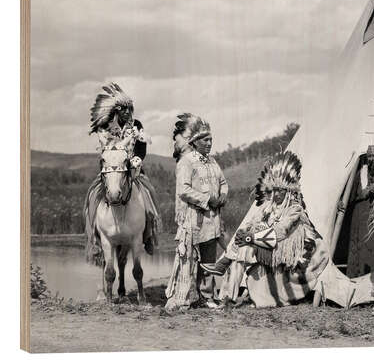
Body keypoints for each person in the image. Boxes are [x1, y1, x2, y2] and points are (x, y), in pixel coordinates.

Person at [202, 151, 329, 308]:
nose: (275, 195)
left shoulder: (295, 209)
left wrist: (251, 237)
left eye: (280, 191)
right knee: (244, 244)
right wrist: (246, 234)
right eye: (274, 190)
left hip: (294, 258)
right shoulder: (269, 207)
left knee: (247, 242)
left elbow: (280, 232)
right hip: (271, 248)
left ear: (289, 192)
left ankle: (224, 266)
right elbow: (252, 224)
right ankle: (228, 298)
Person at [84, 83, 162, 264]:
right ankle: (94, 237)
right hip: (110, 169)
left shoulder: (136, 125)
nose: (127, 112)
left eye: (129, 108)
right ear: (115, 110)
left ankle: (149, 233)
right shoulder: (105, 127)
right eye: (122, 109)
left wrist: (138, 159)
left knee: (150, 192)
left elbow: (141, 147)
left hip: (133, 169)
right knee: (92, 197)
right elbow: (102, 149)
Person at [165, 113, 228, 310]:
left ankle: (207, 296)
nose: (209, 143)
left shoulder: (212, 161)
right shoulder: (187, 161)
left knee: (209, 259)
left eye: (211, 140)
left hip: (212, 219)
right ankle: (185, 297)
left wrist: (223, 196)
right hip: (194, 218)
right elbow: (183, 190)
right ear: (196, 142)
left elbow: (223, 182)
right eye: (206, 140)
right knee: (189, 259)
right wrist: (207, 199)